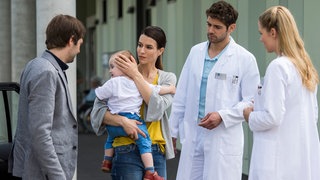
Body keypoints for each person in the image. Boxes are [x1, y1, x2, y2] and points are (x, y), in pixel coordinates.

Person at [169, 1, 260, 180]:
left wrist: (223, 115)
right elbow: (182, 95)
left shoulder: (245, 59)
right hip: (193, 134)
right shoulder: (195, 52)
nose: (211, 30)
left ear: (231, 28)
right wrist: (172, 131)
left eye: (217, 27)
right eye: (209, 24)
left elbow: (251, 101)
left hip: (223, 138)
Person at [243, 6, 320, 180]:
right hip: (300, 160)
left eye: (261, 33)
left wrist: (249, 115)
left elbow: (273, 117)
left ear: (273, 32)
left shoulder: (278, 67)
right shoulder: (305, 67)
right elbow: (312, 115)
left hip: (277, 163)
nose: (261, 39)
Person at [91, 26, 176, 180]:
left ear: (160, 51)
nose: (141, 51)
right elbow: (97, 112)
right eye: (139, 45)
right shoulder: (119, 75)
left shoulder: (167, 79)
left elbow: (155, 110)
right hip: (125, 148)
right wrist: (123, 121)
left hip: (155, 151)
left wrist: (135, 75)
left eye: (148, 47)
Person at [8, 14, 86, 180]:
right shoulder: (46, 71)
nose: (79, 50)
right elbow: (40, 132)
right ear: (71, 40)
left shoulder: (35, 64)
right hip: (42, 173)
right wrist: (58, 176)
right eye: (80, 44)